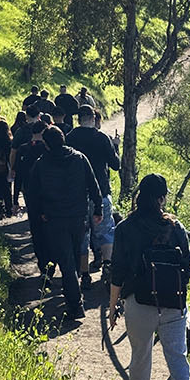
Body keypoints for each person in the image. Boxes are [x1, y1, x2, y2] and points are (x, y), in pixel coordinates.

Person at [108, 174, 190, 380]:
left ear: (139, 195)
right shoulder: (176, 227)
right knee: (178, 362)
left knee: (140, 355)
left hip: (139, 304)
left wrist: (113, 306)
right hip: (173, 305)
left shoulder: (125, 228)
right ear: (162, 198)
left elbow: (118, 271)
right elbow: (187, 268)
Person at [29, 126, 102, 320]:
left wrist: (40, 213)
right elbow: (93, 184)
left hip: (55, 218)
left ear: (46, 144)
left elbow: (33, 192)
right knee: (74, 257)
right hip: (78, 217)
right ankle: (73, 293)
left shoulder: (41, 164)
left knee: (66, 260)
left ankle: (75, 304)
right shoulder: (79, 158)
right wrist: (98, 209)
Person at [67, 105, 121, 279]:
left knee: (82, 235)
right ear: (93, 118)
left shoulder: (70, 138)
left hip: (77, 195)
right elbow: (115, 165)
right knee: (106, 232)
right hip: (101, 191)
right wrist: (116, 147)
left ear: (78, 119)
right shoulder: (102, 138)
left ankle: (84, 274)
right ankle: (107, 266)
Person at [16, 119, 52, 284]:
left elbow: (18, 175)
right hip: (50, 197)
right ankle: (51, 266)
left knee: (37, 234)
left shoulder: (24, 149)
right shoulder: (49, 150)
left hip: (31, 197)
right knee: (51, 233)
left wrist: (15, 199)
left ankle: (43, 267)